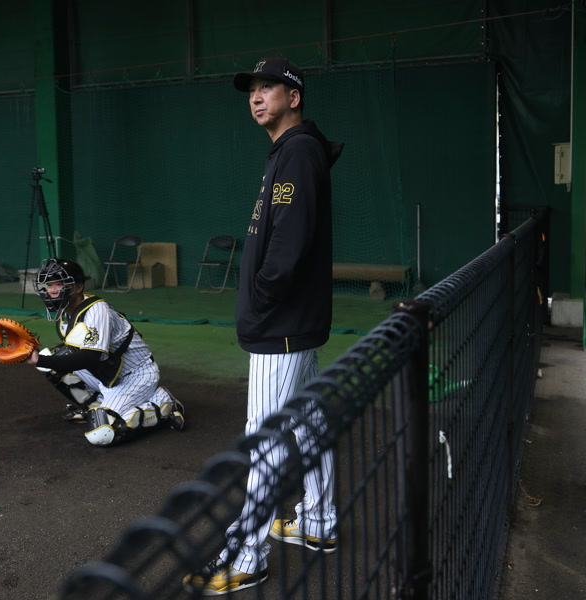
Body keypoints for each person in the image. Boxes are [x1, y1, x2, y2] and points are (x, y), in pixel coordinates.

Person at [183, 58, 344, 595]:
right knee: (309, 424)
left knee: (265, 437)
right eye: (252, 90)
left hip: (282, 325)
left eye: (268, 87)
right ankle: (318, 522)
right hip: (294, 323)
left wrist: (261, 302)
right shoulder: (290, 151)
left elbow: (289, 245)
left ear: (293, 97)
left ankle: (247, 554)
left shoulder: (297, 152)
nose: (256, 97)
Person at [26, 257, 185, 446]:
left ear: (78, 287)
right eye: (49, 285)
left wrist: (40, 360)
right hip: (107, 373)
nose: (52, 290)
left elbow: (90, 356)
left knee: (102, 434)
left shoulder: (97, 310)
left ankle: (163, 403)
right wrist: (30, 354)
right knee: (51, 359)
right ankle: (97, 407)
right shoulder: (64, 314)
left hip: (136, 375)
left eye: (59, 284)